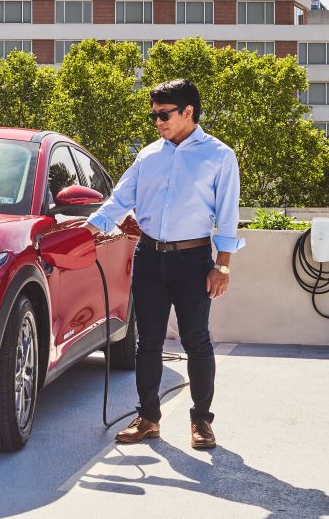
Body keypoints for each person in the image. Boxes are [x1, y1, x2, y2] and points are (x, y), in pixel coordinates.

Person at [84, 79, 244, 450]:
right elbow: (119, 200)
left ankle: (201, 421)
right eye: (153, 115)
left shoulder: (219, 156)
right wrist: (88, 231)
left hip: (193, 259)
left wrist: (222, 265)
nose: (156, 121)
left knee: (197, 341)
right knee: (148, 343)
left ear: (188, 112)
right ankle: (149, 418)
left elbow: (228, 214)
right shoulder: (148, 156)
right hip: (150, 257)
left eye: (163, 114)